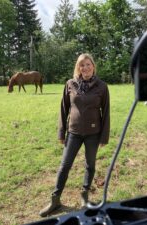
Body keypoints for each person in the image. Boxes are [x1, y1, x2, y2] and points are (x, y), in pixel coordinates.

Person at [39, 53, 110, 217]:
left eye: (88, 64)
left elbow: (106, 112)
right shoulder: (70, 84)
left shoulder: (102, 86)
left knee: (90, 165)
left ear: (93, 66)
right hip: (73, 132)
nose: (85, 68)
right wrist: (61, 132)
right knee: (64, 166)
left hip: (93, 133)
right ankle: (55, 200)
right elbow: (64, 109)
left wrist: (104, 137)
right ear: (78, 68)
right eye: (82, 65)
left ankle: (84, 196)